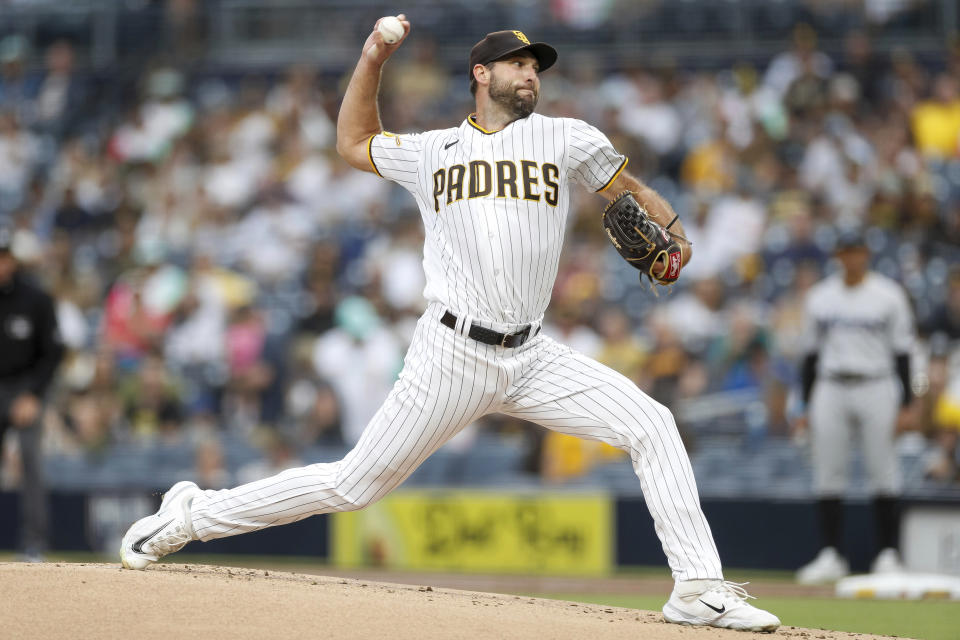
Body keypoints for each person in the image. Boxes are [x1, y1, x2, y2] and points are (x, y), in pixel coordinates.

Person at [119, 21, 780, 632]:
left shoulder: (568, 136)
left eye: (536, 66)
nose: (531, 74)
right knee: (354, 485)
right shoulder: (435, 150)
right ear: (481, 74)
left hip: (534, 356)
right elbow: (351, 142)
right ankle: (190, 516)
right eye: (517, 64)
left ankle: (698, 586)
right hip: (452, 354)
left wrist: (674, 231)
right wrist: (373, 57)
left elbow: (625, 189)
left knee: (652, 424)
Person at [794, 230, 915, 584]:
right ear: (838, 255)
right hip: (831, 385)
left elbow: (903, 352)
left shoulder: (888, 295)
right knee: (828, 472)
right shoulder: (820, 297)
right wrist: (804, 404)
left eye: (856, 250)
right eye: (845, 251)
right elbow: (810, 356)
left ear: (866, 253)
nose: (851, 257)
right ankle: (831, 554)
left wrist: (907, 403)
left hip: (877, 382)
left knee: (884, 470)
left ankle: (888, 554)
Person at [0, 227, 65, 560]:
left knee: (31, 464)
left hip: (24, 387)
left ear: (12, 260)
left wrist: (34, 394)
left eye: (3, 257)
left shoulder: (35, 299)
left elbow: (53, 352)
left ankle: (34, 542)